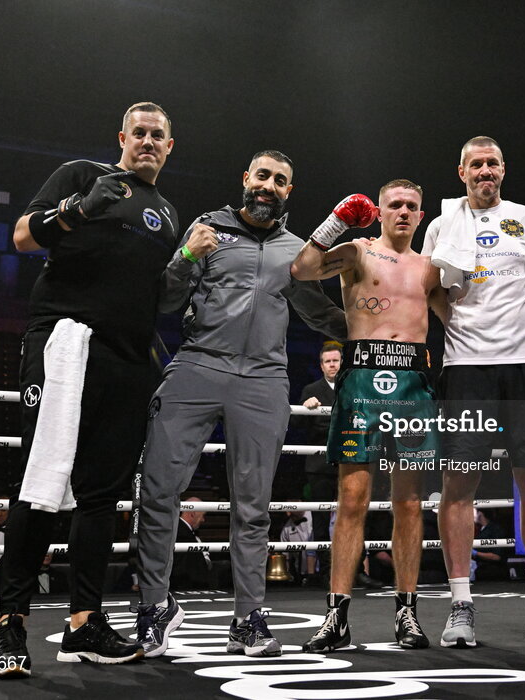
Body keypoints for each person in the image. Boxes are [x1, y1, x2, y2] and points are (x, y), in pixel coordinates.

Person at [0, 102, 180, 679]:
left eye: (158, 136)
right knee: (42, 479)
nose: (147, 141)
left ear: (170, 147)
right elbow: (22, 236)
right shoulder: (80, 174)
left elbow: (149, 293)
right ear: (122, 137)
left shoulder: (167, 213)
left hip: (128, 359)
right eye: (139, 133)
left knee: (102, 493)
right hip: (66, 343)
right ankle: (9, 625)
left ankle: (84, 623)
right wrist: (78, 208)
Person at [133, 151, 347, 659]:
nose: (270, 185)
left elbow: (319, 313)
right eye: (263, 176)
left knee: (253, 504)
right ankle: (152, 608)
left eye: (281, 181)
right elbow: (164, 300)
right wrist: (187, 256)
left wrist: (380, 328)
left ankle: (248, 618)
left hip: (264, 378)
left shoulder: (297, 250)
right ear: (246, 179)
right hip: (197, 364)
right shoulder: (208, 227)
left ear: (288, 192)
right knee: (159, 489)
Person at [420, 136, 525, 647]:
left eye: (492, 163)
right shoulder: (442, 225)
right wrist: (457, 327)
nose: (485, 170)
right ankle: (461, 604)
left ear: (503, 170)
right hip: (468, 367)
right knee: (459, 483)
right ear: (462, 171)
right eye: (476, 164)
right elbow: (427, 287)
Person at [291, 179, 445, 652]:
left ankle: (407, 613)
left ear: (421, 216)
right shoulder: (357, 252)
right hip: (360, 382)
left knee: (409, 504)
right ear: (379, 212)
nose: (403, 211)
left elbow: (464, 319)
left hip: (413, 386)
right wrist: (336, 219)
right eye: (394, 205)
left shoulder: (430, 268)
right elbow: (301, 269)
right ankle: (336, 616)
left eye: (411, 206)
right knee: (352, 500)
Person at [299, 344, 342, 583]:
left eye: (336, 360)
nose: (332, 365)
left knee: (353, 516)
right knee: (321, 520)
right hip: (319, 463)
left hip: (348, 458)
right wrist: (307, 410)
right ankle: (326, 573)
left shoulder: (352, 388)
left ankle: (356, 572)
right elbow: (298, 428)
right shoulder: (311, 389)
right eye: (328, 361)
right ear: (321, 365)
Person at [171, 497, 212, 590]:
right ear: (193, 514)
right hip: (185, 586)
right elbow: (180, 564)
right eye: (202, 515)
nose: (203, 520)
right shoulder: (180, 532)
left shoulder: (184, 530)